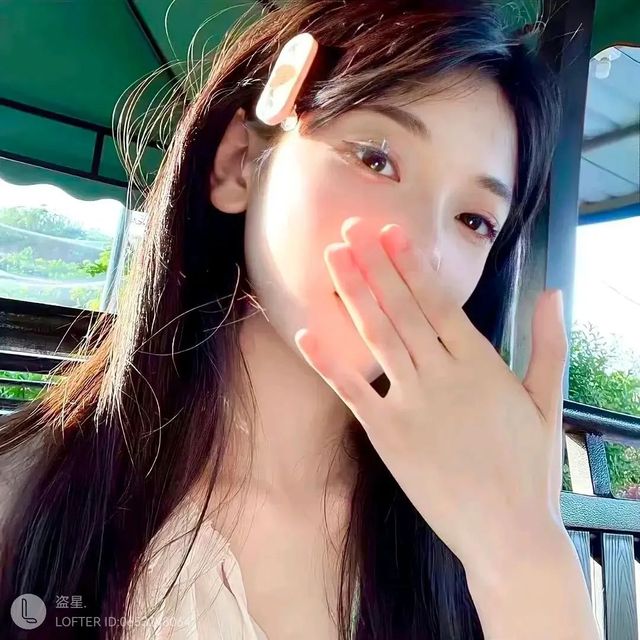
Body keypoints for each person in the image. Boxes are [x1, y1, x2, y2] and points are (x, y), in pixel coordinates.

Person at [0, 1, 600, 638]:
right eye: (376, 159)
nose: (424, 248)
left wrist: (524, 561)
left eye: (473, 220)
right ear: (241, 162)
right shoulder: (28, 494)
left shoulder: (464, 538)